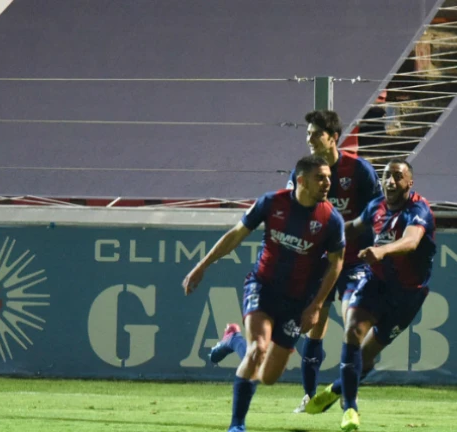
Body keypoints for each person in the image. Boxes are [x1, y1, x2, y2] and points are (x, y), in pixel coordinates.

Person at [208, 110, 382, 413]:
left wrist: (378, 246)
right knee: (309, 331)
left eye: (316, 133)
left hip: (354, 262)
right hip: (318, 264)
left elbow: (379, 211)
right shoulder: (301, 175)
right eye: (308, 133)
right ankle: (308, 394)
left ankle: (346, 397)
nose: (309, 139)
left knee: (355, 327)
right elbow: (292, 214)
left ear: (333, 137)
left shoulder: (359, 171)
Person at [183, 155, 345, 432]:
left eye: (329, 177)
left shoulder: (331, 219)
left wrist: (316, 305)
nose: (327, 183)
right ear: (302, 180)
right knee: (258, 348)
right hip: (262, 287)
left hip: (297, 301)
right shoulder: (272, 203)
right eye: (320, 177)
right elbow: (235, 235)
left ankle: (233, 340)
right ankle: (237, 425)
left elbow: (336, 263)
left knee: (268, 376)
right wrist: (202, 266)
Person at [304, 159, 437, 432]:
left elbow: (411, 241)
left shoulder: (419, 209)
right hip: (375, 283)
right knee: (352, 330)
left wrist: (383, 250)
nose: (390, 182)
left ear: (409, 183)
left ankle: (336, 389)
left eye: (397, 176)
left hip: (407, 296)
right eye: (387, 176)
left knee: (364, 357)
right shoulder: (376, 206)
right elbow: (354, 226)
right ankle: (350, 409)